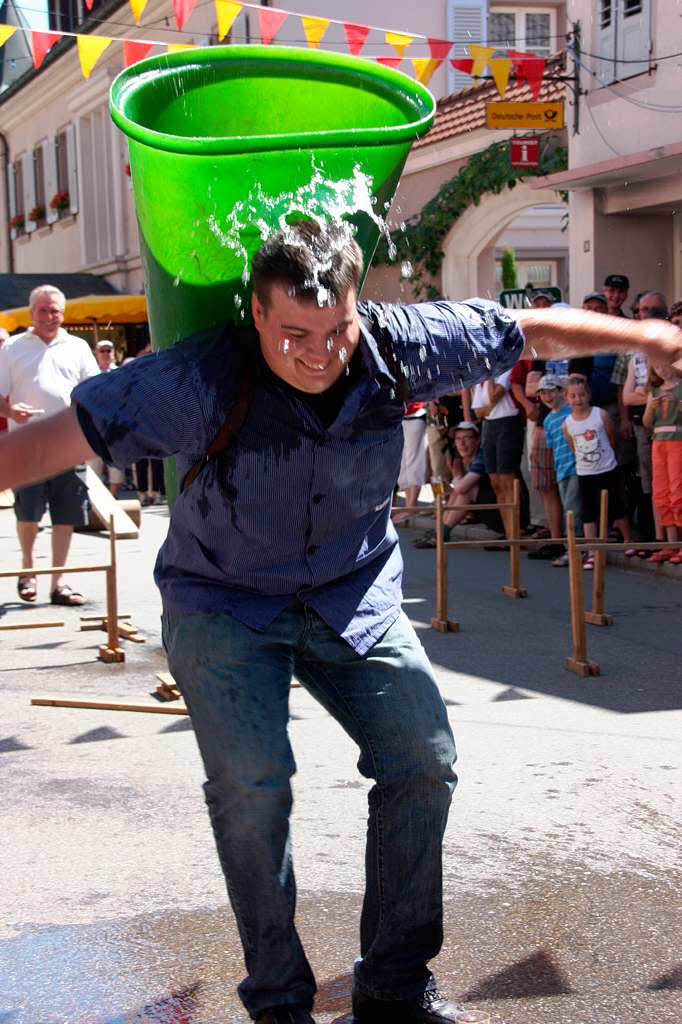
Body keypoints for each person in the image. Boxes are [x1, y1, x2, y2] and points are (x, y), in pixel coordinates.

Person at [2, 222, 682, 1024]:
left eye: (337, 331)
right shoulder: (199, 375)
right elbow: (55, 438)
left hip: (350, 594)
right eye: (294, 332)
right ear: (256, 313)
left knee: (423, 758)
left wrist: (645, 336)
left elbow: (525, 328)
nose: (319, 353)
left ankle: (393, 984)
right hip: (224, 600)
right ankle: (279, 999)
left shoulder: (401, 345)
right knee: (254, 789)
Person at [0, 285, 98, 604]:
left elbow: (94, 390)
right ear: (31, 313)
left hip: (70, 442)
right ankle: (27, 573)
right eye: (43, 310)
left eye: (55, 310)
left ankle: (59, 582)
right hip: (28, 446)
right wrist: (10, 410)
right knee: (28, 513)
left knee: (66, 514)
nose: (49, 316)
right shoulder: (12, 348)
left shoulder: (79, 347)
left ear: (63, 314)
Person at [563, 377, 632, 570]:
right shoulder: (567, 423)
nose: (578, 399)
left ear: (589, 396)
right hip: (585, 473)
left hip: (607, 468)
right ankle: (592, 551)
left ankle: (628, 541)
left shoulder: (600, 415)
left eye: (582, 395)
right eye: (573, 396)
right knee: (588, 512)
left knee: (618, 506)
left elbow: (611, 437)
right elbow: (573, 447)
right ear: (567, 398)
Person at [412, 421, 503, 548]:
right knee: (460, 490)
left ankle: (443, 533)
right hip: (491, 513)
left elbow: (461, 487)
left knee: (466, 489)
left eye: (467, 438)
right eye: (458, 439)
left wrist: (457, 474)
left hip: (505, 516)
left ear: (477, 440)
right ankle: (440, 531)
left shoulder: (483, 456)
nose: (462, 443)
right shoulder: (468, 458)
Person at [471, 368, 524, 543]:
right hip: (489, 426)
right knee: (495, 482)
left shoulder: (505, 370)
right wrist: (488, 404)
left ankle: (515, 533)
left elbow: (495, 394)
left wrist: (491, 379)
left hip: (507, 422)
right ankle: (508, 533)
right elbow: (479, 412)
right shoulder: (481, 378)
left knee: (507, 479)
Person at [642, 361, 682, 564]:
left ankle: (679, 545)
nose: (662, 369)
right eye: (658, 366)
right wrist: (651, 408)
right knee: (661, 493)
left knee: (678, 491)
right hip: (659, 443)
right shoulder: (654, 391)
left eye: (665, 364)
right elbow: (647, 423)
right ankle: (670, 543)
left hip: (678, 443)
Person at [538, 376, 580, 567]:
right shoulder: (548, 420)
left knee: (573, 510)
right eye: (543, 392)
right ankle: (576, 548)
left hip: (578, 467)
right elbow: (553, 448)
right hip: (562, 469)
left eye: (551, 391)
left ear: (562, 391)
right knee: (569, 508)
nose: (547, 396)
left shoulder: (572, 411)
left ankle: (576, 550)